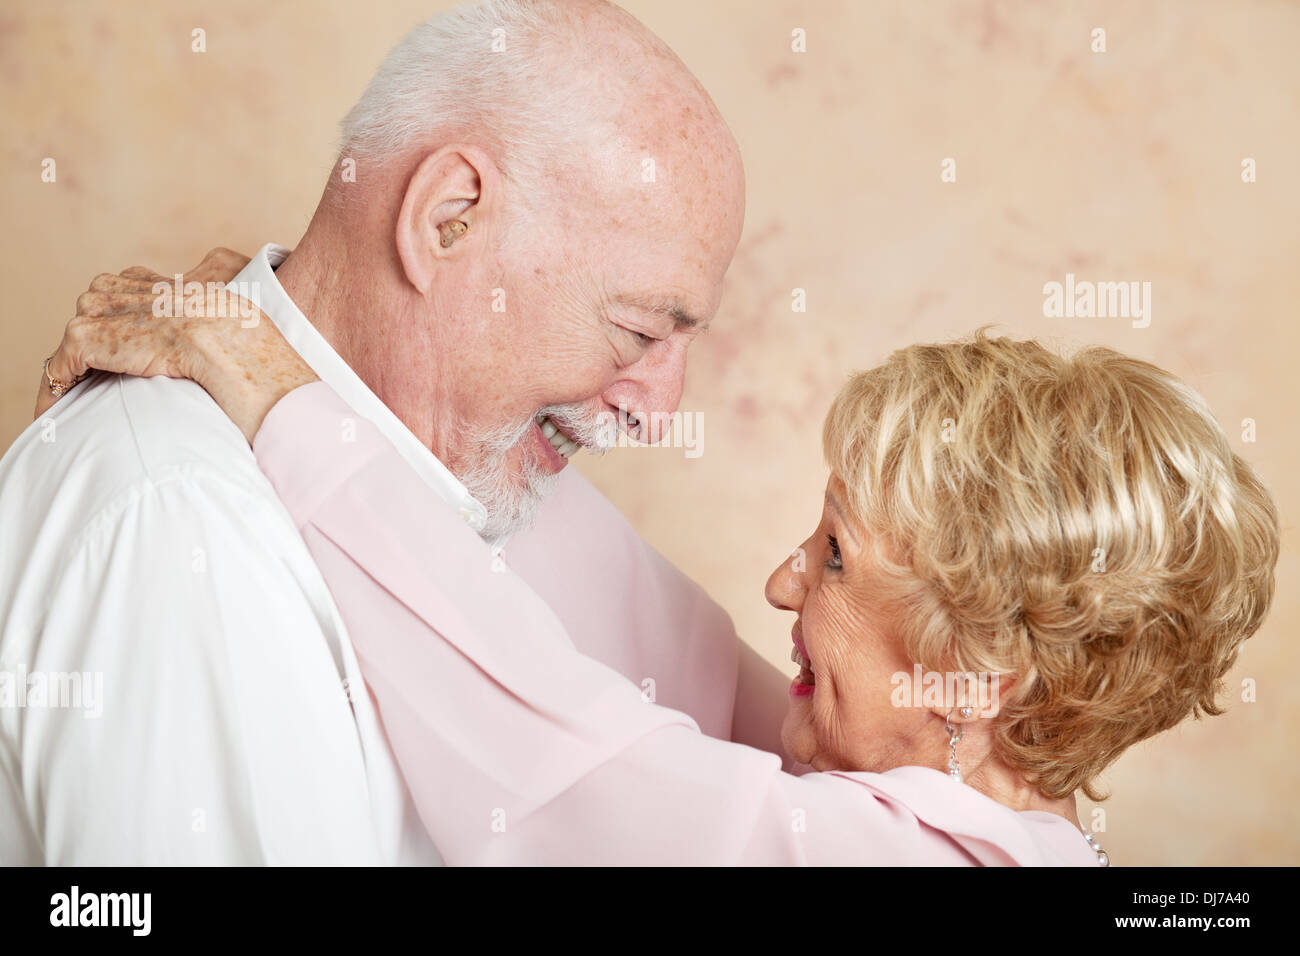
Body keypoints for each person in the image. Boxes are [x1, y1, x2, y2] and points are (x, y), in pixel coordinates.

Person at [36, 270, 1281, 862]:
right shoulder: (958, 809)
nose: (786, 583)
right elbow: (626, 602)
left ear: (975, 675)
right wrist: (296, 321)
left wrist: (272, 385)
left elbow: (548, 740)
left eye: (839, 558)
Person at [0, 0, 773, 865]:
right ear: (447, 218)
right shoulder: (187, 525)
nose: (658, 411)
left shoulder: (490, 484)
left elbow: (758, 751)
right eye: (637, 330)